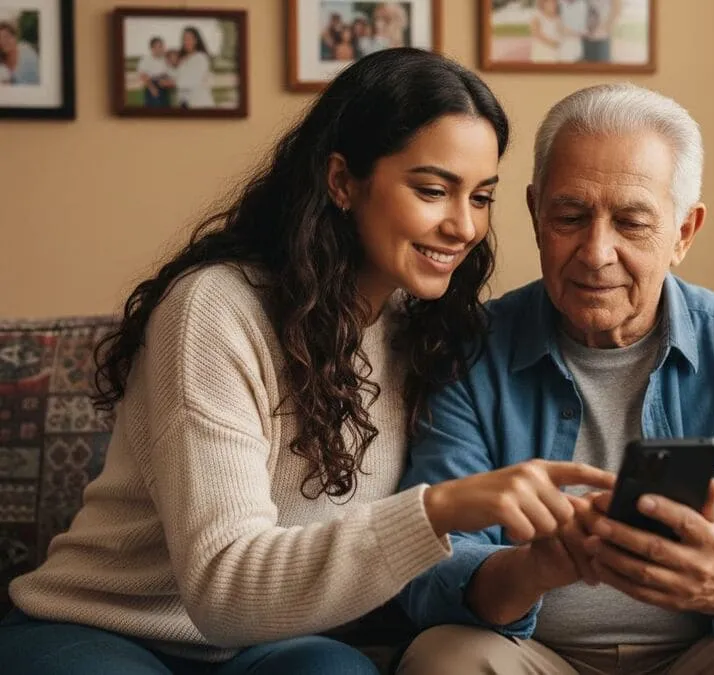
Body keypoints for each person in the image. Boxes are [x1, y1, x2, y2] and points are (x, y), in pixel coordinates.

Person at [0, 48, 613, 675]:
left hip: (271, 648)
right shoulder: (216, 310)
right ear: (342, 180)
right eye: (432, 190)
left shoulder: (428, 331)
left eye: (481, 197)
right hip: (109, 627)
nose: (462, 226)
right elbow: (224, 595)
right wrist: (439, 508)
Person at [396, 83, 714, 675]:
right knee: (441, 660)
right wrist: (531, 568)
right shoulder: (470, 351)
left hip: (713, 656)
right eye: (570, 216)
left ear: (683, 232)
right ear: (535, 213)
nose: (596, 252)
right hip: (533, 657)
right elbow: (426, 567)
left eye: (631, 222)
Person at [174, 26, 215, 109]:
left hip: (199, 103)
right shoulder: (183, 58)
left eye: (189, 38)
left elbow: (192, 81)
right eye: (184, 39)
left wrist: (172, 82)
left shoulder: (201, 57)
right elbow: (177, 75)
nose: (186, 41)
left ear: (196, 40)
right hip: (184, 102)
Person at [0, 20, 39, 85]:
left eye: (6, 36)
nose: (3, 41)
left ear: (14, 37)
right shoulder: (2, 62)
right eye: (0, 39)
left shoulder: (26, 52)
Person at [136, 37, 171, 108]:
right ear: (152, 48)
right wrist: (152, 88)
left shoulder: (165, 58)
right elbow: (143, 75)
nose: (162, 48)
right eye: (159, 46)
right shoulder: (146, 59)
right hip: (152, 85)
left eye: (162, 46)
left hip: (165, 85)